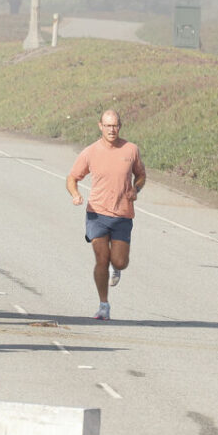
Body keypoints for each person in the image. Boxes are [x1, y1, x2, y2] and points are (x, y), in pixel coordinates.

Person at [66, 109, 146, 320]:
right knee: (101, 258)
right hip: (97, 214)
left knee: (119, 261)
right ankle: (104, 306)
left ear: (120, 126)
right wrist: (75, 195)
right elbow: (72, 178)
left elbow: (141, 175)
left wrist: (135, 190)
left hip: (122, 214)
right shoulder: (90, 152)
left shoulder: (131, 150)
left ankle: (116, 267)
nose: (112, 130)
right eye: (108, 126)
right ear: (100, 126)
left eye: (115, 125)